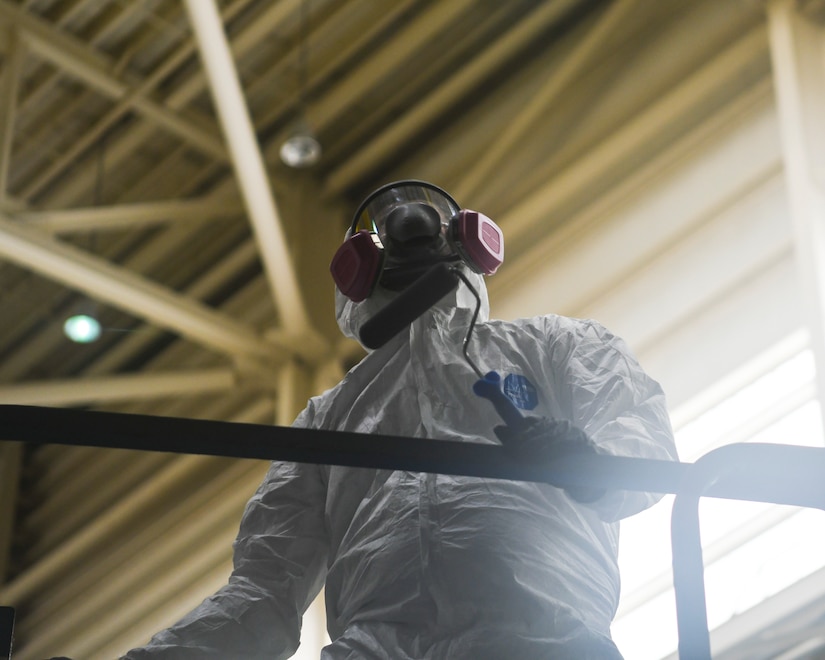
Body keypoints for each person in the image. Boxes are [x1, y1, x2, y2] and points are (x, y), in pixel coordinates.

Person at [122, 180, 678, 659]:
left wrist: (588, 464)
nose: (410, 225)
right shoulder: (328, 421)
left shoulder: (556, 347)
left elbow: (640, 447)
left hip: (543, 634)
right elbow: (264, 593)